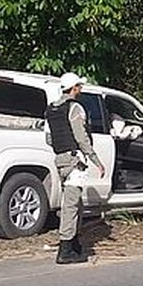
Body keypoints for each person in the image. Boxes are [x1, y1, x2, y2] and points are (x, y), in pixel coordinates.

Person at [45, 72, 105, 265]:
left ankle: (75, 243)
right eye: (79, 86)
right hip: (74, 161)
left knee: (74, 202)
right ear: (74, 88)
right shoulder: (75, 108)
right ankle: (65, 250)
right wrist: (95, 160)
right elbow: (81, 137)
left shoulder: (52, 109)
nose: (81, 89)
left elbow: (49, 138)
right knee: (71, 204)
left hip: (61, 159)